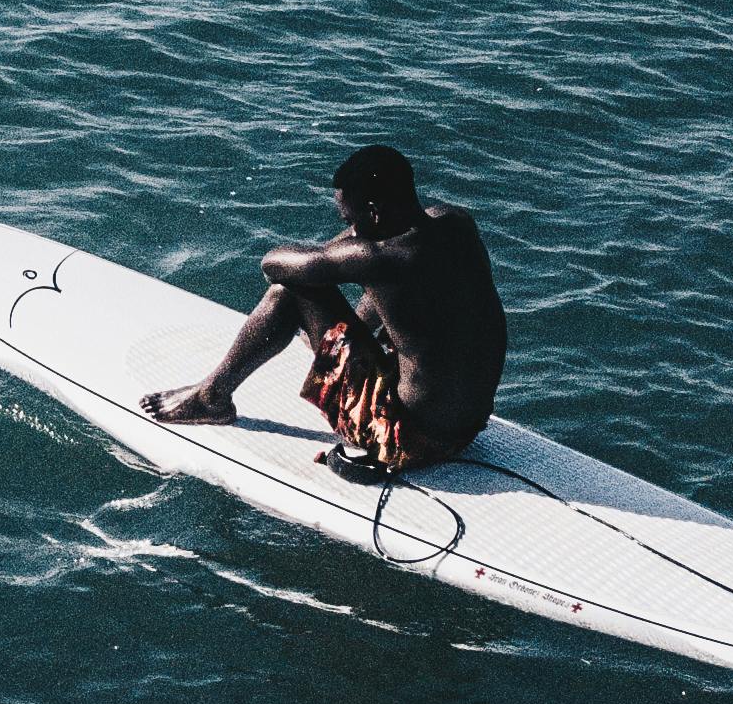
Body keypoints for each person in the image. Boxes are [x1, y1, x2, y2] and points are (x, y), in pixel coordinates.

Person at [145, 144, 505, 478]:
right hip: (468, 429)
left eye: (351, 219)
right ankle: (336, 357)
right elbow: (396, 287)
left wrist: (346, 247)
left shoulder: (379, 257)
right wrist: (353, 250)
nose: (350, 228)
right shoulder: (456, 223)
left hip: (405, 441)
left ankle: (211, 399)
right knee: (375, 294)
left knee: (287, 293)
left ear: (375, 213)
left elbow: (274, 264)